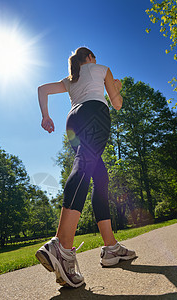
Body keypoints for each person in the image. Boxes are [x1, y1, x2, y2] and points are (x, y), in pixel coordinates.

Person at [35, 47, 136, 288]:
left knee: (100, 178)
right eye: (94, 57)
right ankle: (62, 245)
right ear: (90, 58)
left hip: (74, 120)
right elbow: (118, 104)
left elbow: (42, 89)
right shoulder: (102, 70)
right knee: (85, 165)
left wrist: (45, 116)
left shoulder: (71, 78)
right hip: (95, 113)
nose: (96, 61)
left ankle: (111, 248)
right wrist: (116, 88)